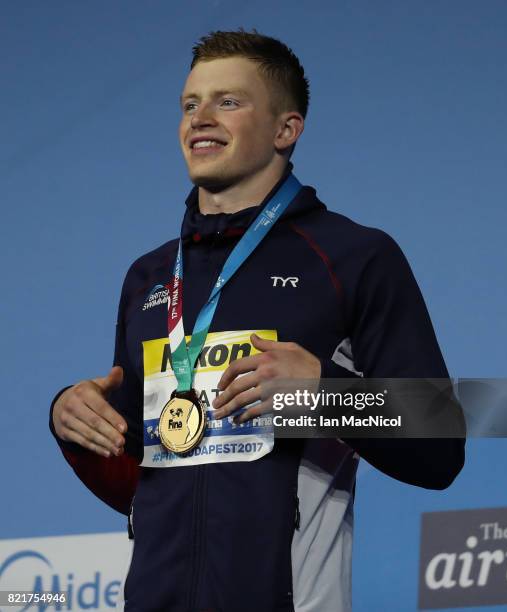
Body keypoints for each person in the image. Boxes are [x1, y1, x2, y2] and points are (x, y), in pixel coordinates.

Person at [50, 29, 465, 612]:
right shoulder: (147, 279)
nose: (201, 118)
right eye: (190, 104)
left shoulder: (353, 257)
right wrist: (74, 424)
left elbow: (441, 445)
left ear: (285, 130)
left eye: (229, 101)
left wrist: (323, 392)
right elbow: (144, 485)